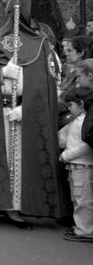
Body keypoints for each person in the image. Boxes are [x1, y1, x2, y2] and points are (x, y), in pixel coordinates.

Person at [0, 0, 70, 228]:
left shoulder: (38, 44)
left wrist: (26, 109)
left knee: (18, 163)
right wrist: (1, 72)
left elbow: (45, 86)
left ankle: (14, 209)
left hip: (22, 112)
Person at [58, 86, 93, 242]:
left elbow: (86, 145)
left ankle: (85, 230)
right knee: (77, 198)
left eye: (71, 105)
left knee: (83, 200)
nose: (69, 109)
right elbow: (64, 139)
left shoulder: (85, 122)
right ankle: (80, 226)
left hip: (82, 166)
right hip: (75, 166)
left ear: (81, 104)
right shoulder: (77, 121)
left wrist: (67, 155)